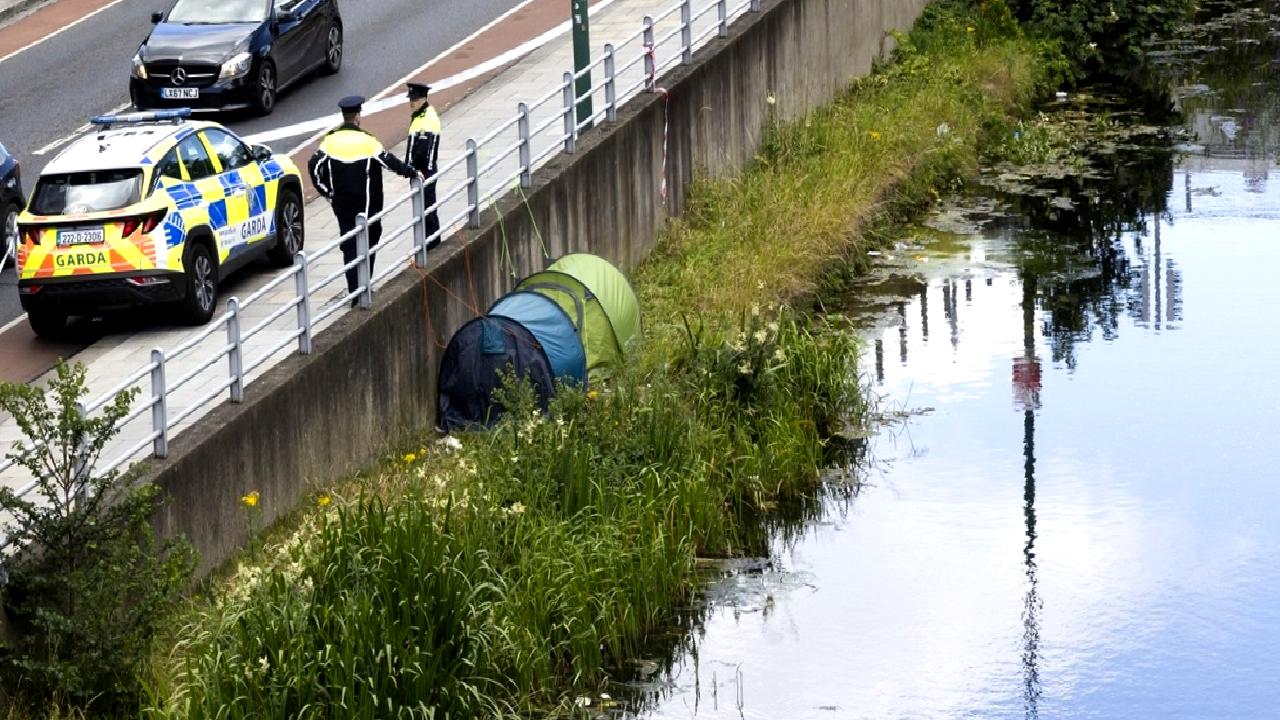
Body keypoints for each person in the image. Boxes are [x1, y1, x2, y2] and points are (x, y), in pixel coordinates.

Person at [308, 95, 419, 305]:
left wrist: (327, 192)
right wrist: (412, 172)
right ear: (358, 116)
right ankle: (364, 285)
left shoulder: (330, 140)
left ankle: (354, 293)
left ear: (344, 116)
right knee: (369, 241)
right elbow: (389, 162)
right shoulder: (368, 141)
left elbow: (313, 166)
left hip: (342, 206)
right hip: (368, 206)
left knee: (350, 246)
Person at [405, 82, 442, 248]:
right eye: (411, 99)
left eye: (415, 99)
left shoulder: (427, 118)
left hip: (424, 172)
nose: (411, 103)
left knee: (427, 211)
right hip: (421, 172)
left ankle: (431, 246)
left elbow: (422, 152)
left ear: (423, 99)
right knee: (425, 209)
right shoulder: (421, 115)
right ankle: (429, 244)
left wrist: (411, 169)